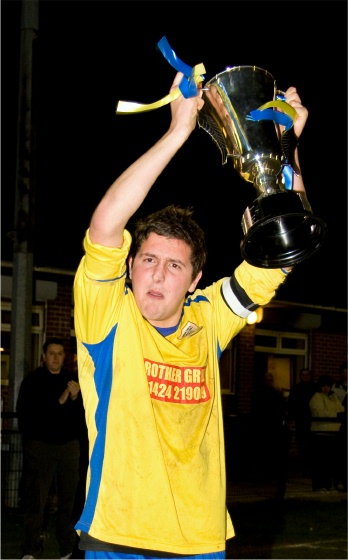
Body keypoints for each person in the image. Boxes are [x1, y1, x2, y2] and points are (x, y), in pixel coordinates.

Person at [73, 70, 309, 559]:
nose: (157, 275)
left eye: (174, 265)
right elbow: (104, 226)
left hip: (202, 541)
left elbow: (285, 245)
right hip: (119, 536)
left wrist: (286, 149)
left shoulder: (210, 318)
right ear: (132, 266)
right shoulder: (108, 317)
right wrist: (178, 132)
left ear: (195, 279)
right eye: (148, 260)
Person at [16, 337, 86, 559]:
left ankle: (67, 549)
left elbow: (82, 419)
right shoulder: (33, 382)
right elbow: (32, 416)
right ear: (43, 356)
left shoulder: (72, 380)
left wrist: (75, 398)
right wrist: (64, 398)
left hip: (68, 448)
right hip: (41, 447)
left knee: (69, 501)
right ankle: (31, 550)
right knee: (36, 501)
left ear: (65, 357)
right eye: (52, 353)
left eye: (60, 353)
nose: (56, 357)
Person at [251, 372, 287, 498]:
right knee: (264, 451)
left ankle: (269, 474)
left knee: (271, 451)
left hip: (272, 427)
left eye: (270, 379)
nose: (268, 382)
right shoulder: (261, 394)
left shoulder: (274, 394)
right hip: (265, 427)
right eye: (267, 379)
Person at [309, 374, 345, 493]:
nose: (326, 389)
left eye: (328, 386)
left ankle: (329, 485)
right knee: (320, 462)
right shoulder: (316, 397)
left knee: (331, 462)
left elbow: (342, 410)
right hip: (320, 434)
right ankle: (320, 485)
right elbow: (320, 413)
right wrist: (335, 414)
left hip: (333, 433)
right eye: (324, 386)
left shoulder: (333, 397)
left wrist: (335, 414)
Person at [287, 368, 316, 474]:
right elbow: (291, 403)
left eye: (307, 374)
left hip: (312, 419)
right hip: (301, 419)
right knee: (302, 443)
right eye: (303, 375)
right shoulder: (296, 388)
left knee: (311, 443)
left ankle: (309, 465)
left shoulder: (314, 388)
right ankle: (304, 465)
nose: (305, 376)